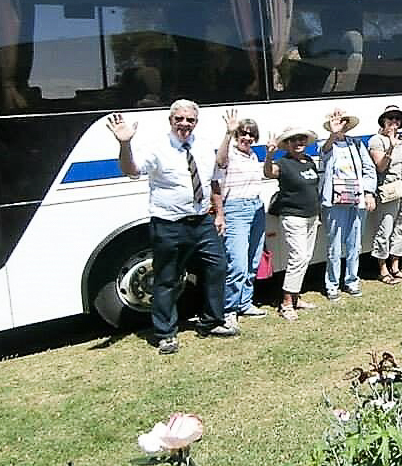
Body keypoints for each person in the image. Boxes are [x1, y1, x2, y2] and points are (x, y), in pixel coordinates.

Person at [106, 100, 236, 355]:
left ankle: (211, 321)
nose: (185, 124)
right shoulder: (156, 147)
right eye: (179, 119)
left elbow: (216, 170)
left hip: (202, 221)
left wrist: (228, 135)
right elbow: (131, 170)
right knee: (167, 278)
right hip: (169, 224)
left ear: (196, 122)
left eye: (190, 120)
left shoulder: (202, 144)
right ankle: (166, 334)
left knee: (217, 267)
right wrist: (124, 144)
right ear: (171, 120)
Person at [213, 109, 267, 329]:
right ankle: (229, 310)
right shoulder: (230, 153)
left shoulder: (253, 155)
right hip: (236, 209)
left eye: (251, 134)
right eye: (243, 133)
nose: (247, 137)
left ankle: (245, 302)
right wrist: (228, 133)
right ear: (236, 135)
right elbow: (219, 161)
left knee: (253, 260)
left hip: (256, 207)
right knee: (237, 263)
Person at [320, 109, 377, 300]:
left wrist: (369, 193)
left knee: (355, 244)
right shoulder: (326, 145)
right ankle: (332, 285)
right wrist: (333, 134)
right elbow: (325, 153)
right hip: (334, 202)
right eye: (338, 122)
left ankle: (352, 280)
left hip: (356, 200)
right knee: (334, 246)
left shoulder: (357, 144)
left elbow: (369, 169)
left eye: (344, 121)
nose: (341, 125)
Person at [264, 125, 320, 319]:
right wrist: (269, 155)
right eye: (293, 140)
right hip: (293, 216)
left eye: (301, 139)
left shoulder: (309, 161)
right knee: (298, 257)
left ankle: (296, 298)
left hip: (312, 216)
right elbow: (269, 172)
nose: (298, 143)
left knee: (305, 257)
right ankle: (286, 303)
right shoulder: (283, 163)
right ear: (286, 144)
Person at [368, 105, 402, 284]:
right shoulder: (377, 141)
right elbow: (380, 167)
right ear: (383, 121)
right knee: (385, 229)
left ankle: (396, 266)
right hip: (390, 190)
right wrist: (390, 147)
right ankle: (382, 269)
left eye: (397, 119)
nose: (394, 122)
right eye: (390, 118)